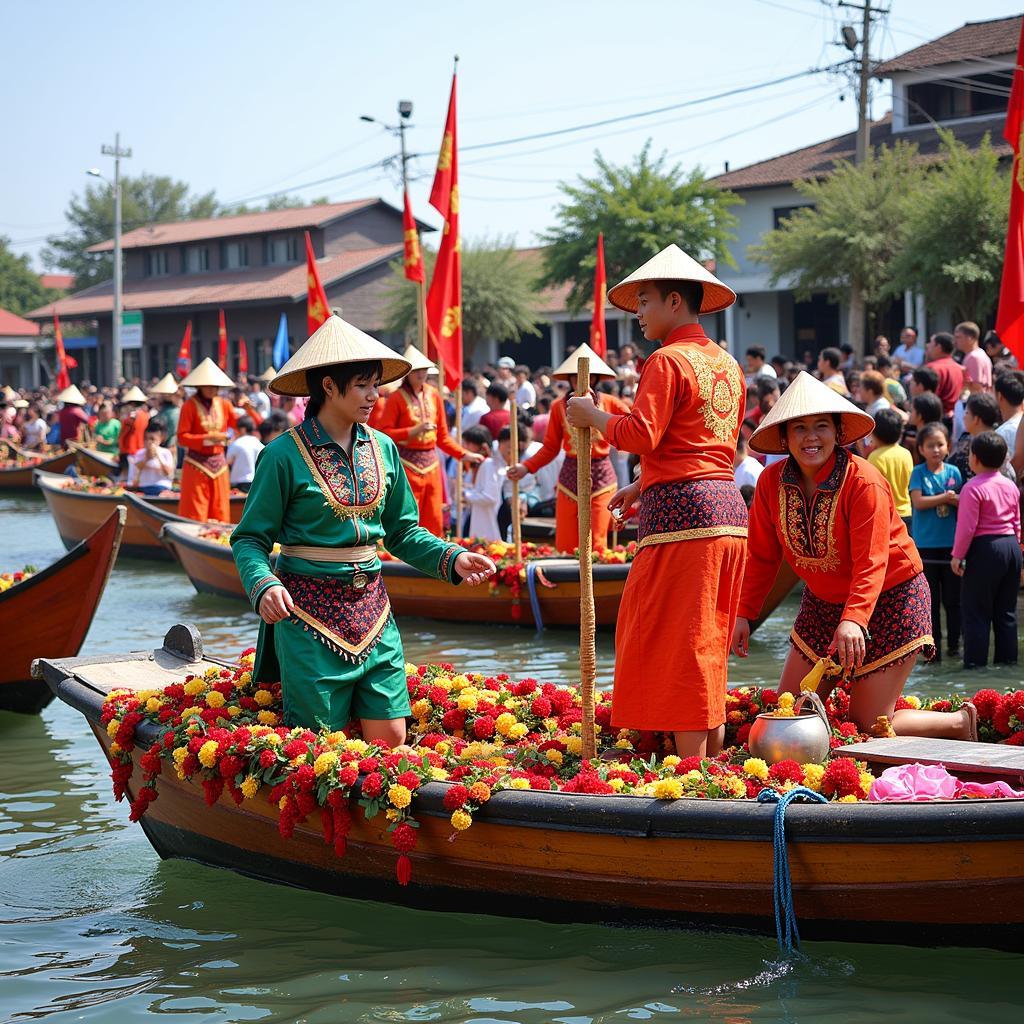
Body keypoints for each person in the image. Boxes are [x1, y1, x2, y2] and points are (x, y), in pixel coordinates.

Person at [230, 314, 495, 744]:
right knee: (320, 747)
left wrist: (453, 557)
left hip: (374, 610)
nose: (375, 395)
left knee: (392, 738)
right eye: (362, 385)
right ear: (329, 387)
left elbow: (404, 532)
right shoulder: (281, 455)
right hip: (306, 614)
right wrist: (262, 584)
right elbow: (249, 538)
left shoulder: (385, 447)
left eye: (376, 384)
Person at [566, 244, 748, 758]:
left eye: (644, 301)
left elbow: (640, 433)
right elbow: (705, 448)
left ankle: (693, 777)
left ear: (674, 300)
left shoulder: (667, 359)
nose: (639, 313)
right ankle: (709, 763)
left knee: (679, 641)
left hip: (686, 520)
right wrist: (646, 484)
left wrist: (590, 415)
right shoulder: (728, 363)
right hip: (727, 512)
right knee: (705, 640)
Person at [733, 372, 976, 740]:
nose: (811, 437)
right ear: (784, 437)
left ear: (838, 432)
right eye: (799, 428)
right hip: (823, 602)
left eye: (821, 427)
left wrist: (854, 620)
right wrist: (744, 614)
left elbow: (872, 561)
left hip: (891, 598)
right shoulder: (770, 483)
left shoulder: (863, 480)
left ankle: (960, 723)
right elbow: (762, 557)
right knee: (789, 713)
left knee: (868, 724)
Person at [508, 344, 628, 553]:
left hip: (602, 478)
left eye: (588, 377)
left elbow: (632, 427)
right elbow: (550, 448)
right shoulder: (557, 407)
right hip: (569, 478)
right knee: (565, 545)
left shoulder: (611, 403)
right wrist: (525, 467)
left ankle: (597, 585)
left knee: (597, 545)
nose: (582, 381)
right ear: (570, 379)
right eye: (576, 377)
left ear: (596, 379)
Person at [378, 346, 482, 536]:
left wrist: (464, 455)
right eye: (416, 370)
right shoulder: (395, 399)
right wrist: (413, 431)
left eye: (424, 369)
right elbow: (383, 434)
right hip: (406, 464)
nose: (421, 374)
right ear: (407, 373)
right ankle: (400, 563)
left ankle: (432, 562)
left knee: (434, 519)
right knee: (408, 518)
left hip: (432, 464)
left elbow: (442, 437)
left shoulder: (434, 395)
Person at [952, 431, 1022, 669]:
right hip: (1011, 547)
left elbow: (967, 528)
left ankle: (975, 666)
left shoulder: (972, 487)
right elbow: (1017, 523)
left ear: (975, 459)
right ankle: (1008, 662)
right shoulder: (1010, 485)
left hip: (985, 549)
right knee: (1007, 613)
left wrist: (957, 556)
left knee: (976, 612)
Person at [909, 423, 962, 661]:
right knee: (930, 602)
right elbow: (918, 502)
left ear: (948, 446)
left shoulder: (953, 472)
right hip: (926, 547)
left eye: (940, 444)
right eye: (930, 445)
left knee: (953, 600)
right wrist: (946, 498)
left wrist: (955, 500)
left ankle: (954, 646)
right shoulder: (918, 472)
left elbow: (963, 503)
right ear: (921, 448)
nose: (936, 449)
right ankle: (933, 651)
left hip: (951, 546)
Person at [177, 358, 238, 522]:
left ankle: (219, 542)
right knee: (195, 512)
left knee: (221, 510)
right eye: (208, 386)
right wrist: (208, 438)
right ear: (199, 386)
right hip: (196, 464)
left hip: (219, 463)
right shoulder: (188, 406)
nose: (212, 389)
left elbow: (239, 425)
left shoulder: (224, 404)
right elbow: (182, 438)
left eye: (215, 386)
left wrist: (248, 410)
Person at [867, 407, 914, 533]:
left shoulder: (875, 457)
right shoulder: (906, 453)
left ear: (875, 433)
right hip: (907, 512)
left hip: (887, 514)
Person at [949, 392, 1001, 485]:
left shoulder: (990, 446)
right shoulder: (999, 442)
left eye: (967, 413)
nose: (964, 417)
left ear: (976, 419)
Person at [925, 332, 964, 425]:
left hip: (935, 419)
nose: (927, 345)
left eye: (930, 343)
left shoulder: (933, 368)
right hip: (954, 418)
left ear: (938, 347)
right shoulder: (959, 368)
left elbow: (927, 399)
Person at [127, 423, 176, 496]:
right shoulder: (140, 453)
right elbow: (136, 470)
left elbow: (168, 473)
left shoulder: (166, 452)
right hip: (143, 488)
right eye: (146, 439)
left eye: (152, 439)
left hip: (161, 487)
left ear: (160, 439)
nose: (148, 442)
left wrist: (158, 456)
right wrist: (147, 458)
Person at [117, 387, 150, 477]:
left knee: (128, 476)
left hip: (129, 449)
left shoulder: (132, 416)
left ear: (132, 403)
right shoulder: (146, 415)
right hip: (141, 448)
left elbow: (123, 433)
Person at [226, 415, 264, 492]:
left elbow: (227, 461)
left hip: (237, 484)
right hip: (256, 482)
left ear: (243, 429)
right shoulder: (259, 444)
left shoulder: (236, 443)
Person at [955, 321, 992, 394]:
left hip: (978, 401)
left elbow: (976, 386)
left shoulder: (974, 357)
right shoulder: (980, 353)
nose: (955, 341)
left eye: (958, 337)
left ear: (970, 338)